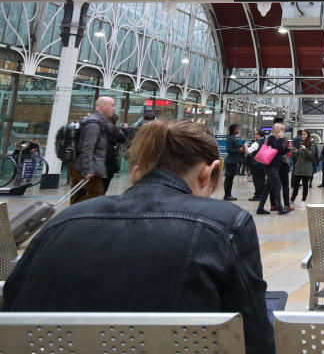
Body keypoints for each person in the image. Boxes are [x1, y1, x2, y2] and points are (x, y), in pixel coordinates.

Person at [2, 119, 275, 354]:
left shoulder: (61, 222)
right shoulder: (226, 223)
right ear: (207, 172)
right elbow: (253, 336)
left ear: (135, 173)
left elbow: (14, 305)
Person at [67, 96, 119, 205]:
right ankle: (74, 212)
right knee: (96, 195)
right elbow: (88, 147)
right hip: (86, 167)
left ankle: (73, 216)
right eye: (112, 106)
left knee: (78, 194)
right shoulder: (94, 123)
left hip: (77, 164)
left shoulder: (91, 120)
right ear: (102, 106)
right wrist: (88, 169)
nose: (114, 109)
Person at [256, 123, 290, 216]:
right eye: (282, 130)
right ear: (278, 130)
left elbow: (280, 152)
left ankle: (260, 208)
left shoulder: (277, 139)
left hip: (275, 166)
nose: (283, 132)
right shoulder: (272, 138)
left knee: (267, 188)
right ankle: (280, 208)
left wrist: (287, 149)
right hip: (270, 166)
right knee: (278, 186)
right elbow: (276, 148)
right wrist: (282, 139)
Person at [290, 131, 318, 203]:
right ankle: (292, 200)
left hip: (306, 169)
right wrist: (296, 152)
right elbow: (299, 156)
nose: (303, 135)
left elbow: (311, 155)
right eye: (302, 134)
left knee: (305, 186)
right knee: (295, 186)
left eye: (305, 134)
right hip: (298, 168)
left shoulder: (312, 144)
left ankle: (303, 200)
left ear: (308, 135)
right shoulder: (301, 144)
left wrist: (305, 149)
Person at [223, 123, 244, 201]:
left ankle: (229, 194)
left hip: (234, 161)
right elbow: (229, 150)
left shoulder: (234, 138)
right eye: (237, 129)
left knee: (230, 179)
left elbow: (237, 146)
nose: (238, 130)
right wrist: (239, 150)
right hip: (230, 162)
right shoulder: (230, 138)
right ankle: (227, 195)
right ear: (233, 130)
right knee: (228, 179)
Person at [247, 130, 266, 202]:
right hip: (263, 163)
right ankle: (262, 194)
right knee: (262, 179)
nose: (255, 136)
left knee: (257, 180)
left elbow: (248, 151)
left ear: (259, 135)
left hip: (256, 164)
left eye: (256, 135)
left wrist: (246, 146)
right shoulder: (266, 142)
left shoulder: (256, 143)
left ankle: (257, 195)